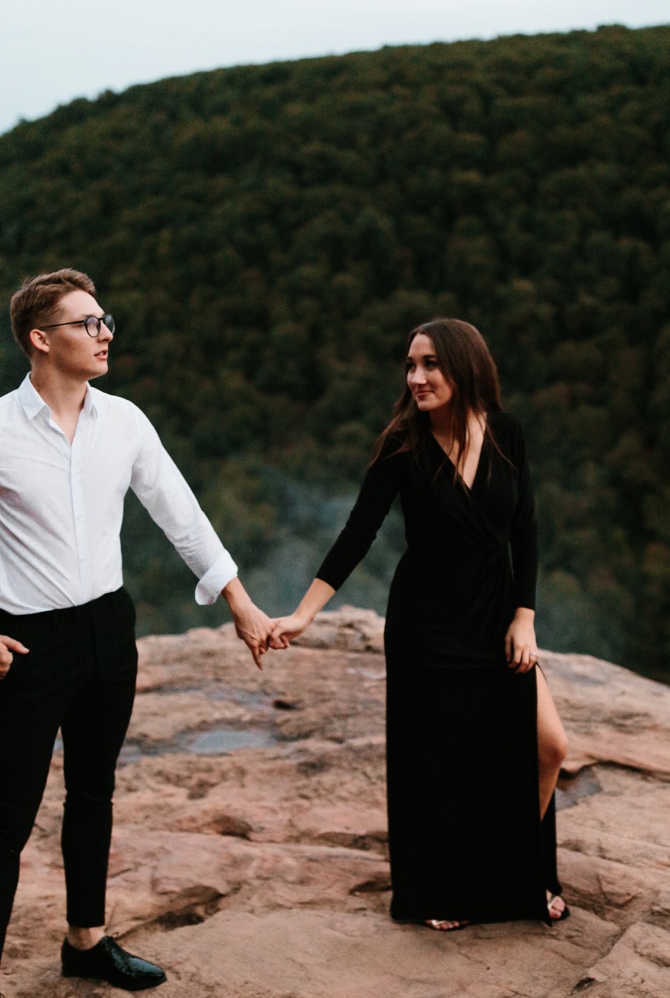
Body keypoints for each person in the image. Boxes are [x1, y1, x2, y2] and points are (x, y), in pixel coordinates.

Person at [0, 269, 274, 997]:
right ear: (41, 340)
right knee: (8, 819)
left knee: (94, 793)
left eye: (106, 320)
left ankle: (86, 942)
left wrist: (239, 600)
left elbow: (182, 514)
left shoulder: (126, 422)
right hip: (29, 643)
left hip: (111, 630)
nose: (106, 333)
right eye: (88, 323)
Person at [268, 318, 569, 930]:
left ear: (464, 365)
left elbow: (526, 528)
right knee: (441, 764)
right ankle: (445, 889)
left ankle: (520, 873)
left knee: (547, 746)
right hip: (425, 624)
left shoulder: (507, 433)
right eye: (410, 365)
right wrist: (304, 613)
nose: (417, 377)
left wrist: (525, 616)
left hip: (494, 617)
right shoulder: (403, 444)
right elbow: (359, 532)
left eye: (430, 364)